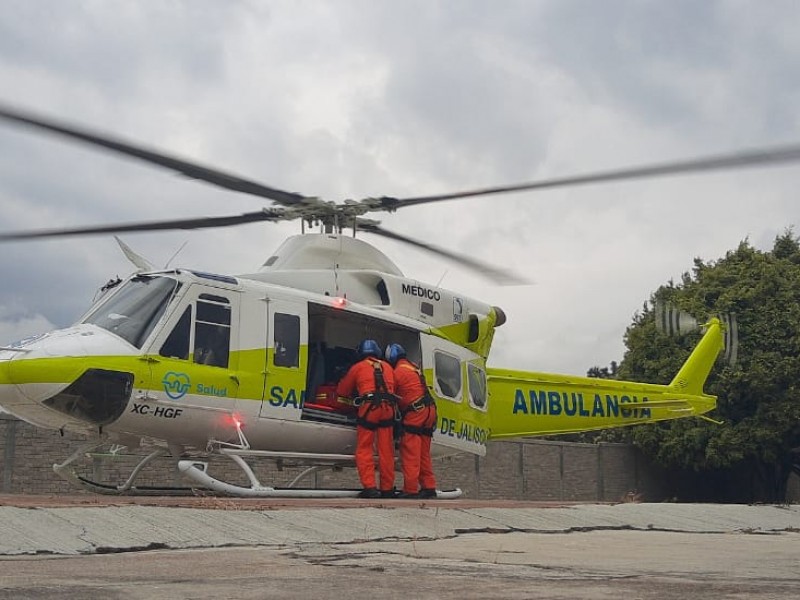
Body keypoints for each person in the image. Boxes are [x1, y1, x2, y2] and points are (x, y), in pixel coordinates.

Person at [336, 339, 398, 498]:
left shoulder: (357, 367)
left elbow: (342, 391)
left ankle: (370, 487)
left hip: (370, 409)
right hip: (388, 409)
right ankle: (387, 489)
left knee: (364, 449)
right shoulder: (388, 367)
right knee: (386, 451)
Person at [385, 343, 437, 499]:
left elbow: (389, 394)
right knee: (423, 454)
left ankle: (410, 489)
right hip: (429, 411)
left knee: (410, 452)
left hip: (416, 412)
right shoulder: (413, 368)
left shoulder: (397, 372)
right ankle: (429, 487)